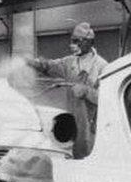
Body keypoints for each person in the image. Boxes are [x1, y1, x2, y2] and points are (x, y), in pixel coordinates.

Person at [26, 22, 108, 158]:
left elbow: (107, 99)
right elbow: (52, 66)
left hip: (91, 124)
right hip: (72, 120)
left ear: (89, 42)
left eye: (77, 41)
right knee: (70, 153)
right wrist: (39, 64)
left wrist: (87, 92)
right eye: (72, 41)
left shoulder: (101, 66)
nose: (73, 45)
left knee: (87, 156)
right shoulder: (70, 61)